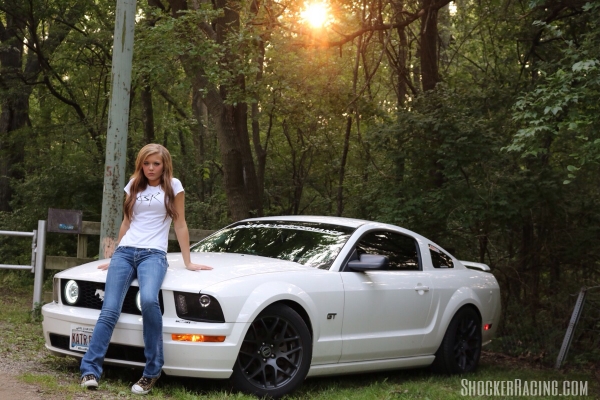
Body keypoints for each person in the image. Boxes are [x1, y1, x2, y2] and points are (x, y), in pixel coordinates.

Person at [79, 144, 212, 395]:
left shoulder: (174, 186)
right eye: (146, 163)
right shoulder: (133, 185)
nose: (150, 168)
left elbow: (180, 224)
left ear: (165, 165)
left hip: (153, 254)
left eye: (156, 164)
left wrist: (188, 261)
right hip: (125, 252)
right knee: (109, 309)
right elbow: (127, 221)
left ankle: (151, 372)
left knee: (150, 300)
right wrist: (115, 253)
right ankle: (90, 369)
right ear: (141, 164)